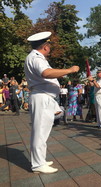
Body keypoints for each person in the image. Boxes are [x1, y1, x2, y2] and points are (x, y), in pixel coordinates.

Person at [24, 31, 79, 174]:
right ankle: (38, 164)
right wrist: (69, 70)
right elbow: (46, 73)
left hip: (45, 97)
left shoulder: (36, 57)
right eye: (49, 45)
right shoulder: (37, 58)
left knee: (43, 130)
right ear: (45, 46)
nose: (50, 48)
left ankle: (40, 159)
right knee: (40, 132)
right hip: (42, 97)